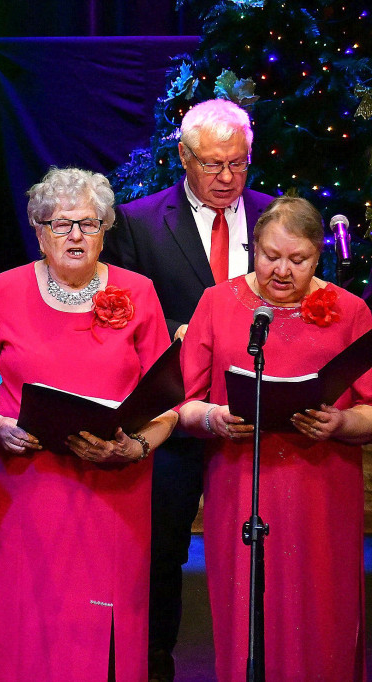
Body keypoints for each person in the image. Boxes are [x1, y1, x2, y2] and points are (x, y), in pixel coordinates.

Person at [0, 168, 178, 682]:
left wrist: (139, 447)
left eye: (87, 223)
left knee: (105, 622)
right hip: (26, 486)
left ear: (106, 229)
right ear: (38, 232)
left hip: (115, 487)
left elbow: (169, 403)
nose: (76, 236)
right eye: (60, 225)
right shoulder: (5, 290)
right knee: (30, 621)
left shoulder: (139, 292)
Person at [102, 97, 274, 681]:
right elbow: (121, 319)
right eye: (211, 164)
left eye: (238, 164)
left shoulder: (275, 216)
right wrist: (184, 332)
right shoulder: (140, 221)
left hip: (257, 412)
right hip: (173, 415)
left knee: (264, 554)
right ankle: (154, 669)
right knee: (163, 553)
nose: (226, 178)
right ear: (183, 156)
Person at [178, 196, 372, 682]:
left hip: (323, 490)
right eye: (270, 256)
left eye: (298, 260)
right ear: (254, 249)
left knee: (322, 607)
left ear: (318, 257)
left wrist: (343, 423)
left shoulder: (349, 312)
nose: (282, 271)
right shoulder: (217, 303)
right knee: (246, 606)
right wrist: (213, 418)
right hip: (242, 484)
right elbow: (181, 404)